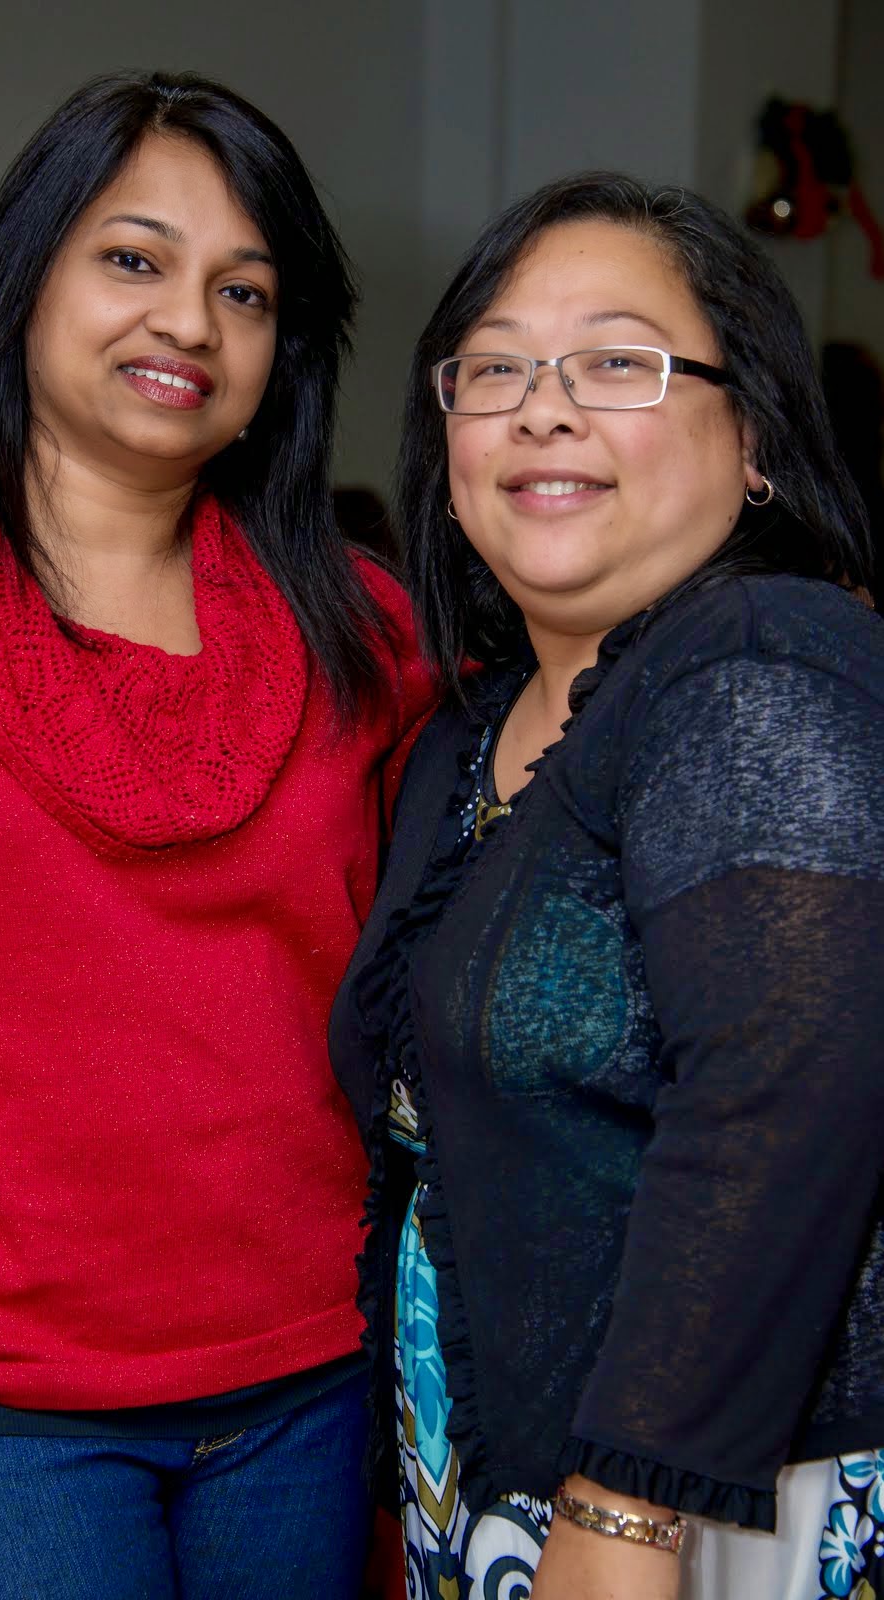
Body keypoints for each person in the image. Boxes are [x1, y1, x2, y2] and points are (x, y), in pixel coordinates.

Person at [0, 72, 432, 1600]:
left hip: (310, 1391)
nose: (188, 321)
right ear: (24, 275)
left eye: (244, 291)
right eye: (132, 259)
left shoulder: (362, 630)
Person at [329, 172, 884, 1600]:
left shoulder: (762, 660)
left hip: (714, 1504)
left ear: (752, 436)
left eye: (619, 362)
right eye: (495, 368)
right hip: (501, 1487)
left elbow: (786, 1092)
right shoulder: (465, 732)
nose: (543, 409)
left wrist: (626, 1507)